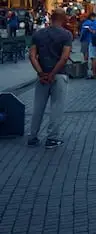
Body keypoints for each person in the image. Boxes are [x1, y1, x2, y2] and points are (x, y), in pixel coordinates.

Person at [27, 9, 73, 149]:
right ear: (63, 18)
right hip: (58, 75)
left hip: (42, 76)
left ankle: (33, 136)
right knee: (56, 107)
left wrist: (41, 73)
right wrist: (53, 73)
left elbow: (32, 56)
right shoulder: (66, 35)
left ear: (51, 18)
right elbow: (64, 57)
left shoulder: (38, 34)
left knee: (38, 107)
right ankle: (52, 138)